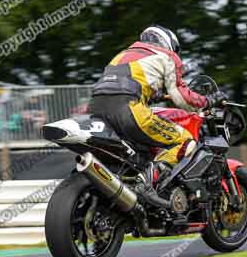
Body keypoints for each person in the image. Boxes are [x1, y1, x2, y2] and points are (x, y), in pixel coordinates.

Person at [90, 26, 226, 203]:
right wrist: (209, 100)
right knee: (184, 140)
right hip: (128, 109)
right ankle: (148, 184)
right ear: (167, 42)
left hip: (97, 109)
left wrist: (156, 96)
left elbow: (119, 87)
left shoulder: (123, 54)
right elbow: (181, 98)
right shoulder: (167, 56)